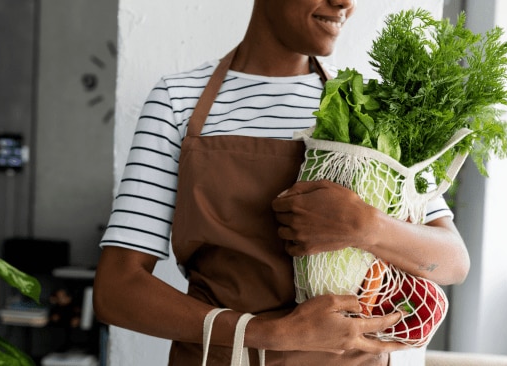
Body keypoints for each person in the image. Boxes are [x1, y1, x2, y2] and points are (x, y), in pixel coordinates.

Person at [93, 0, 470, 365]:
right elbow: (117, 289)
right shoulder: (178, 101)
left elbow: (453, 261)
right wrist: (273, 334)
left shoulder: (366, 108)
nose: (344, 3)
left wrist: (367, 227)